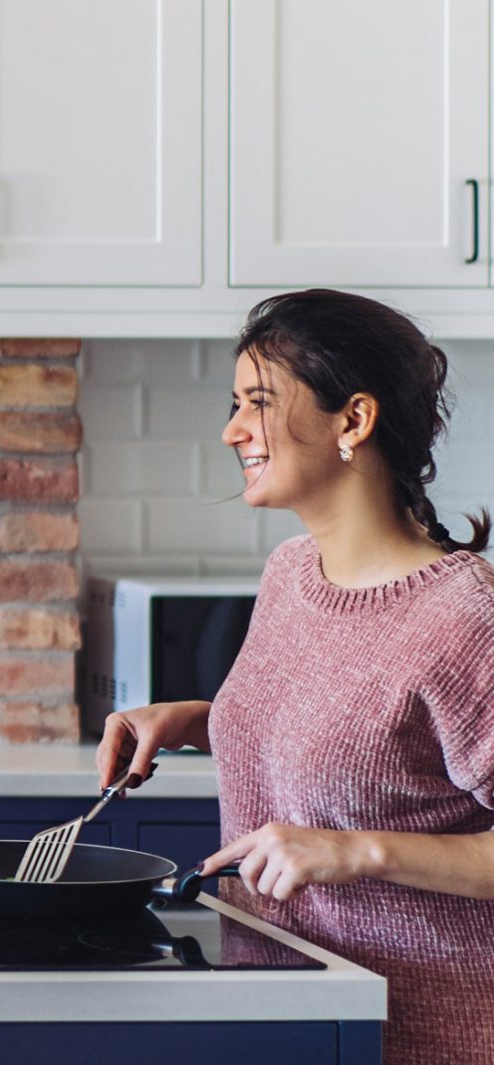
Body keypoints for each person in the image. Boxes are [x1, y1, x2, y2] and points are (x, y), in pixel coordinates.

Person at [99, 289, 494, 1064]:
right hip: (286, 1018)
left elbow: (359, 807)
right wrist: (198, 719)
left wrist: (358, 851)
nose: (232, 429)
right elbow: (362, 732)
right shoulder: (291, 573)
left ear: (353, 419)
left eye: (258, 402)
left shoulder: (465, 617)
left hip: (420, 1035)